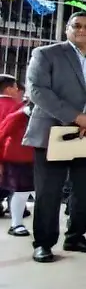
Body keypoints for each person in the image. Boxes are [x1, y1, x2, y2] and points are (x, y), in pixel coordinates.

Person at [25, 11, 86, 263]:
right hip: (52, 132)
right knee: (49, 191)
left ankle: (76, 236)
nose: (82, 30)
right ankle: (44, 243)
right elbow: (37, 90)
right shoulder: (46, 54)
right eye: (76, 26)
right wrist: (76, 117)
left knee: (84, 190)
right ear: (67, 29)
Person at [0, 98, 34, 237]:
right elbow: (1, 135)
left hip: (38, 159)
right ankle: (16, 224)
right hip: (18, 160)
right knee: (21, 192)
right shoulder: (17, 117)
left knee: (38, 193)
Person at [0, 75, 24, 218]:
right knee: (14, 186)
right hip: (9, 153)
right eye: (15, 87)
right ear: (9, 89)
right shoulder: (16, 107)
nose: (17, 90)